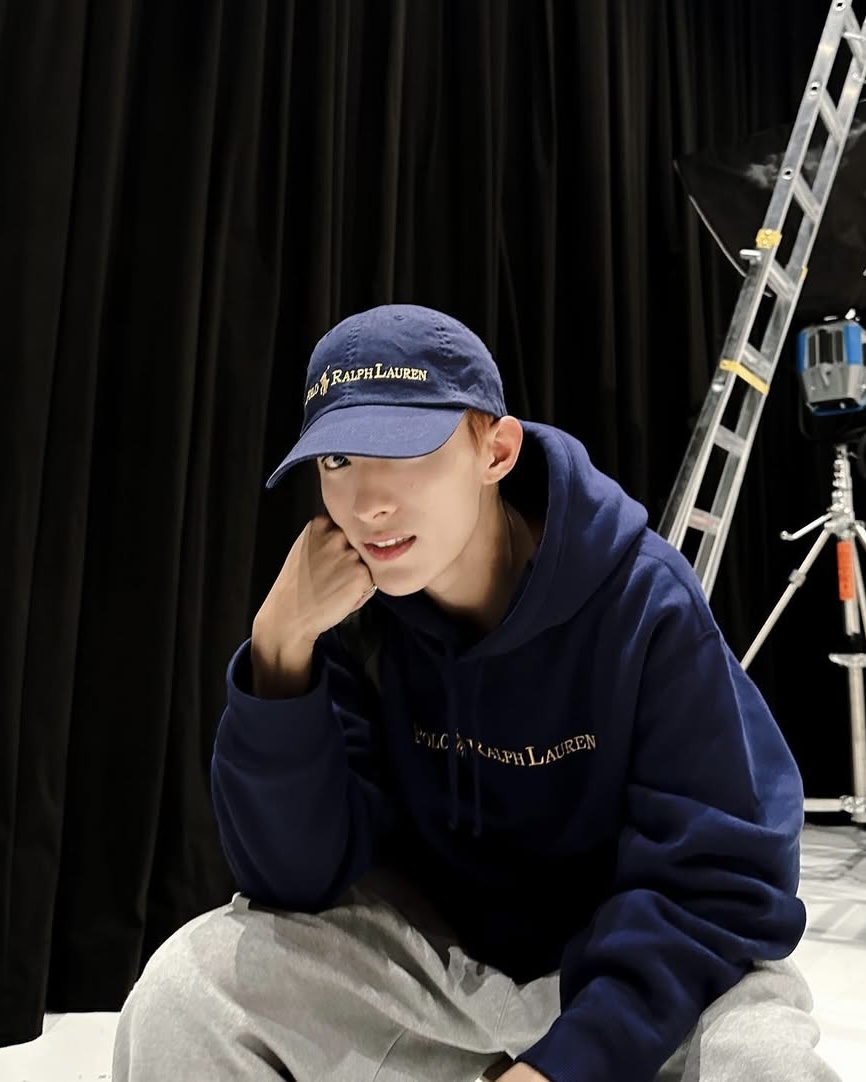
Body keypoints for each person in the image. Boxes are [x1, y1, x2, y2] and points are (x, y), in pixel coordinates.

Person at [112, 304, 839, 1082]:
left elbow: (718, 886)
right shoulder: (354, 622)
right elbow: (291, 881)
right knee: (189, 992)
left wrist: (566, 1065)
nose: (367, 502)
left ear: (496, 451)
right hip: (445, 973)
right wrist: (279, 650)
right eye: (338, 461)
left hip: (640, 981)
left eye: (405, 450)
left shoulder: (643, 602)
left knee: (762, 1061)